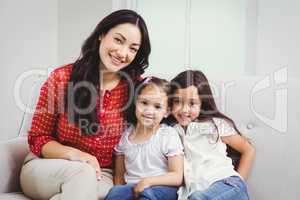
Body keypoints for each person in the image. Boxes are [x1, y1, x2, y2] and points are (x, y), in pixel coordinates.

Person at [20, 9, 151, 200]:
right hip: (47, 166)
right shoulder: (62, 78)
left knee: (94, 191)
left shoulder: (136, 88)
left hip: (102, 174)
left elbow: (163, 111)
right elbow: (38, 138)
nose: (123, 53)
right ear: (102, 35)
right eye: (118, 40)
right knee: (82, 176)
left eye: (133, 48)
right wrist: (76, 155)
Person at [168, 70, 255, 200]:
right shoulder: (170, 131)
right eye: (177, 101)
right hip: (196, 192)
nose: (184, 109)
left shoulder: (215, 125)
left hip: (227, 185)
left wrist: (239, 182)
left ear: (202, 104)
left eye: (192, 103)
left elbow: (249, 149)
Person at [105, 77, 184, 200]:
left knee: (147, 196)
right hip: (132, 186)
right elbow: (119, 177)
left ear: (167, 112)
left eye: (157, 107)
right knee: (115, 193)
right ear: (136, 102)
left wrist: (147, 182)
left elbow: (177, 177)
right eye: (144, 103)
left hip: (162, 187)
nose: (149, 111)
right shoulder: (125, 138)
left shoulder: (167, 135)